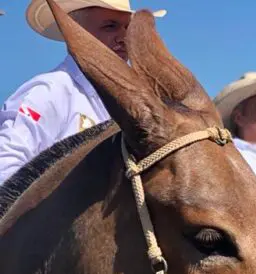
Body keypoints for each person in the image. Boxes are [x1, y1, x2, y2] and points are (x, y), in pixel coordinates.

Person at [0, 0, 166, 184]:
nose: (124, 37)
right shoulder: (51, 91)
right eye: (110, 26)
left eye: (127, 28)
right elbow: (5, 166)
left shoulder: (134, 103)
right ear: (76, 34)